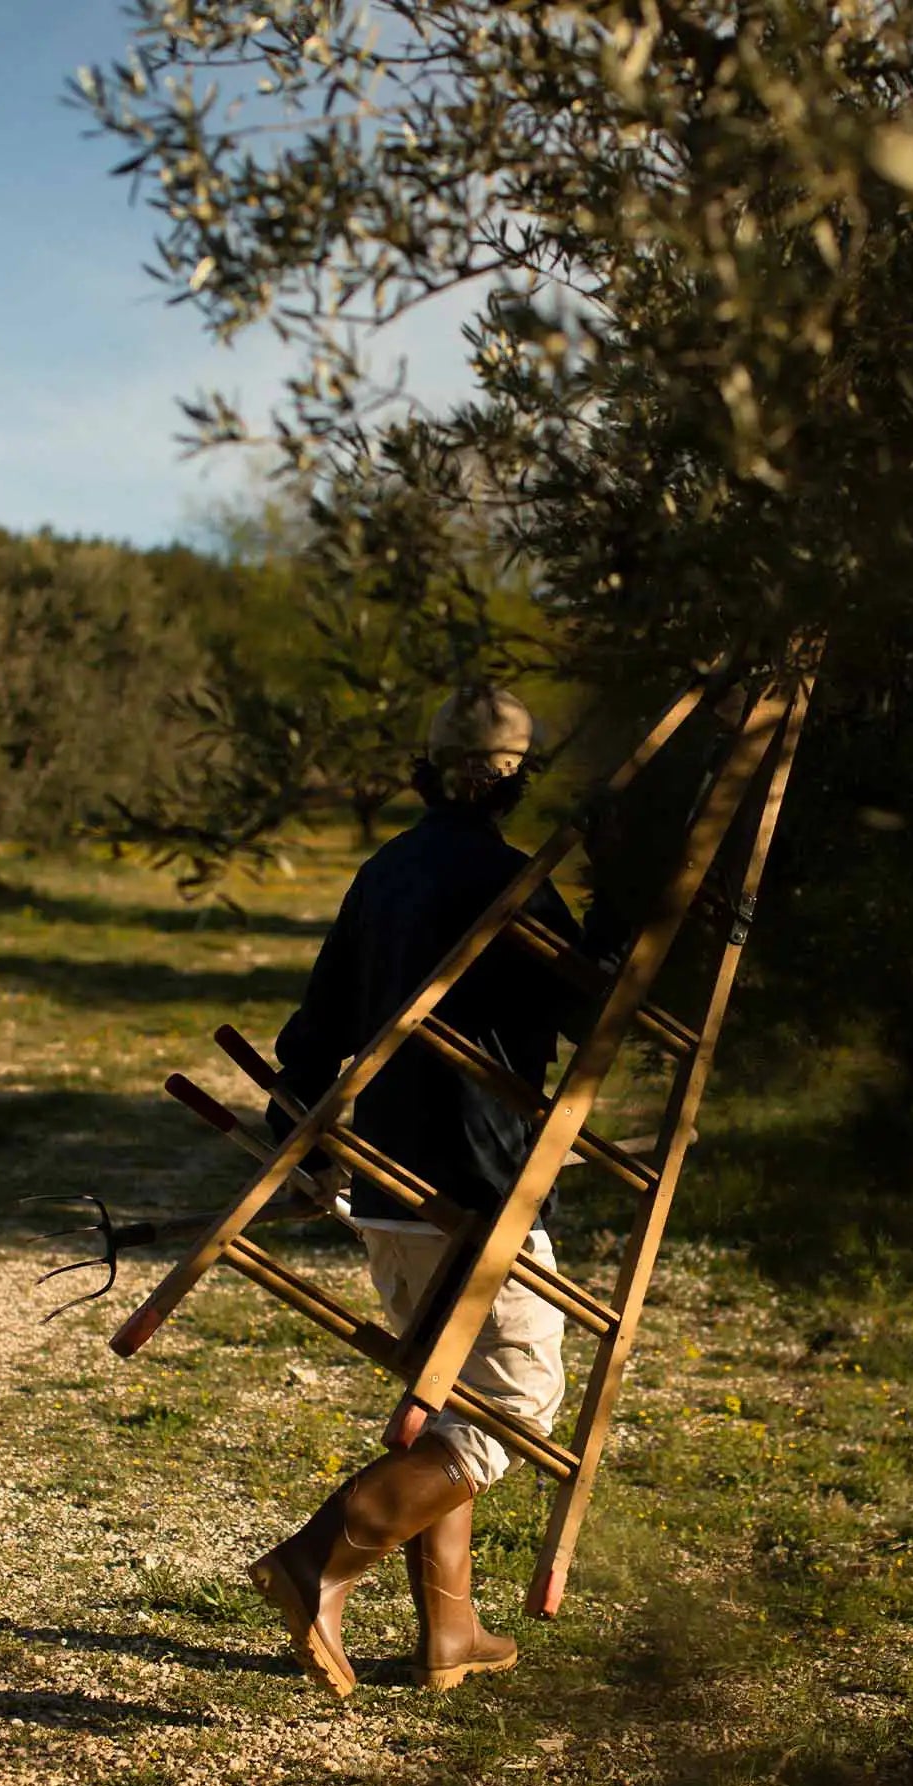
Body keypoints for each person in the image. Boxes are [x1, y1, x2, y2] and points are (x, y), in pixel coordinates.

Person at [249, 685, 622, 1697]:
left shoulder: (384, 870)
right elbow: (589, 1009)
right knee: (512, 1407)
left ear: (426, 772)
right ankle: (314, 1560)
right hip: (480, 1188)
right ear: (513, 782)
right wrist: (619, 913)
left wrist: (299, 1131)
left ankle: (450, 1630)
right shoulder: (510, 880)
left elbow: (317, 1024)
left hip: (385, 1186)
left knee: (453, 1392)